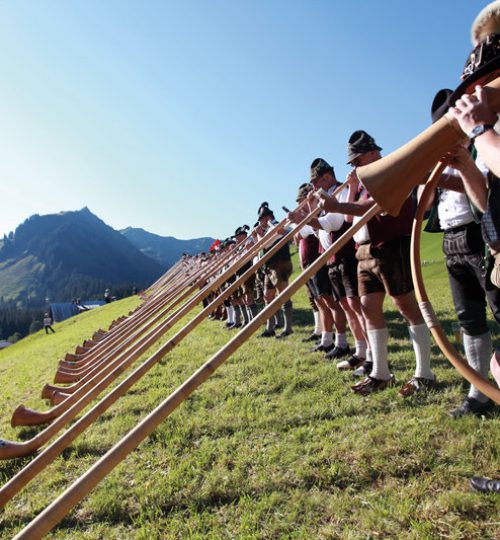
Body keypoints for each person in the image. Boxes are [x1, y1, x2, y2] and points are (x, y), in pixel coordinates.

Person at [317, 131, 435, 396]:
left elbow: (374, 206)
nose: (355, 167)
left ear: (372, 153)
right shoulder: (362, 179)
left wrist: (336, 205)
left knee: (405, 305)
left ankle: (424, 372)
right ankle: (380, 372)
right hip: (365, 249)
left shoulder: (390, 170)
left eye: (358, 160)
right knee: (368, 307)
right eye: (353, 163)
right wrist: (345, 197)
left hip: (391, 245)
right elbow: (354, 216)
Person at [425, 88, 500, 417]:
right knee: (469, 317)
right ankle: (478, 391)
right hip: (454, 235)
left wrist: (446, 175)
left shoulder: (479, 136)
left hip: (478, 234)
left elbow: (488, 181)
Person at [255, 203, 294, 338]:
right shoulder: (268, 229)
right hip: (269, 267)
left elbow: (265, 243)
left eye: (261, 219)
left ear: (267, 217)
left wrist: (259, 236)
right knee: (267, 296)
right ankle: (270, 328)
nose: (260, 222)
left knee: (283, 295)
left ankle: (288, 328)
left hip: (280, 264)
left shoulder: (277, 225)